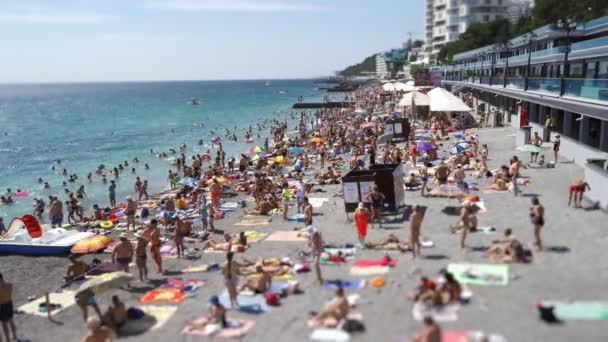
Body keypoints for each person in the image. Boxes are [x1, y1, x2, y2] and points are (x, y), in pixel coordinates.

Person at [0, 273, 17, 342]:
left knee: (4, 324)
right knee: (11, 320)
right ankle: (14, 335)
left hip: (2, 306)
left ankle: (7, 339)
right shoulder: (9, 285)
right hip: (9, 303)